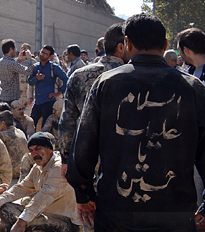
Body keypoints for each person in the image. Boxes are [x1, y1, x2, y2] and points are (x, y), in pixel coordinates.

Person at [67, 13, 205, 230]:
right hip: (175, 213)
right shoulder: (192, 88)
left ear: (127, 43)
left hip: (117, 210)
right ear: (166, 45)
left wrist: (83, 193)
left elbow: (84, 144)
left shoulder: (107, 84)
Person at [0, 132, 80, 232]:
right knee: (5, 207)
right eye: (31, 151)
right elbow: (21, 188)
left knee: (24, 220)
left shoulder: (58, 167)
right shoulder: (38, 167)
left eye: (38, 149)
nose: (34, 154)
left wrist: (21, 221)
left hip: (64, 220)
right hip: (44, 213)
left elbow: (43, 197)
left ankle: (10, 228)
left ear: (49, 149)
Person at [57, 22, 126, 163]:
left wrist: (65, 158)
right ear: (121, 47)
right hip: (121, 163)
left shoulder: (79, 75)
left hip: (86, 160)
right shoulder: (131, 76)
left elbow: (67, 122)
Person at [27, 45, 69, 127]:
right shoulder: (35, 67)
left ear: (50, 56)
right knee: (31, 124)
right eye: (42, 52)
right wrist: (36, 78)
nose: (42, 54)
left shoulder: (54, 67)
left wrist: (58, 93)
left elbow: (66, 79)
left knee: (46, 126)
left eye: (45, 54)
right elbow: (30, 82)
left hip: (48, 102)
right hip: (37, 102)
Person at [0, 39, 33, 103]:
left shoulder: (0, 62)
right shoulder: (12, 63)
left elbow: (11, 68)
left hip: (3, 96)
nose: (16, 51)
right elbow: (28, 71)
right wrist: (29, 58)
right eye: (15, 49)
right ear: (11, 49)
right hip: (12, 99)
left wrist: (19, 59)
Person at [0, 110, 28, 179]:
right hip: (24, 171)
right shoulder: (20, 132)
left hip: (11, 173)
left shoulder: (2, 135)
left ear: (3, 123)